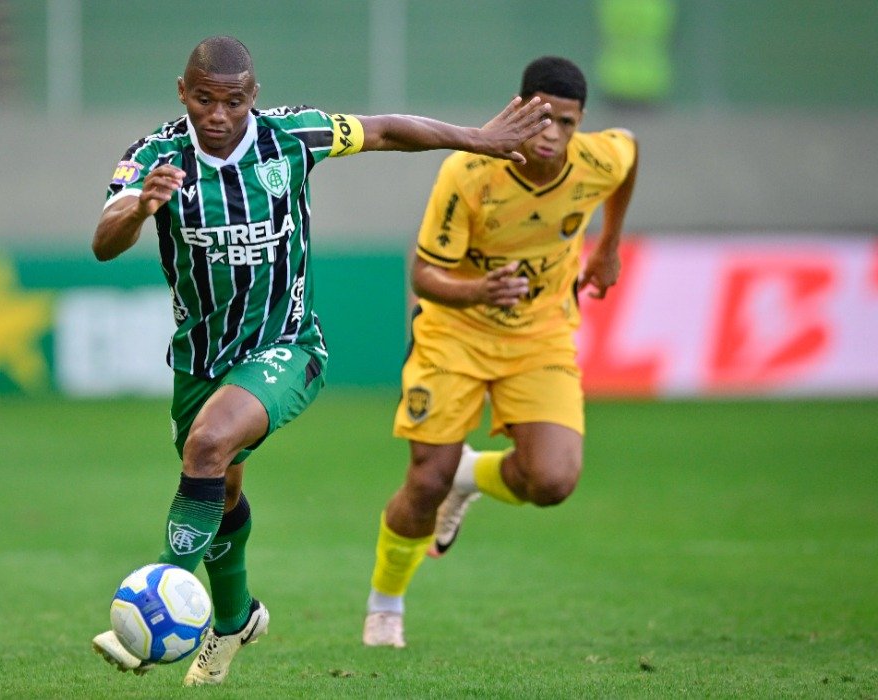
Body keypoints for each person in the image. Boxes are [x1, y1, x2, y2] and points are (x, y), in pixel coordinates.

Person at [89, 35, 551, 687]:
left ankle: (160, 595)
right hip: (200, 360)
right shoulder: (154, 156)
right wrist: (140, 205)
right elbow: (104, 240)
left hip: (287, 348)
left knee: (208, 445)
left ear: (254, 96)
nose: (217, 114)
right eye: (203, 99)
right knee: (218, 490)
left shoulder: (293, 136)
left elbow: (387, 130)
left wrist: (476, 138)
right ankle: (234, 620)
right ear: (182, 92)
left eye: (232, 100)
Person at [363, 56, 639, 648]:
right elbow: (425, 273)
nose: (552, 134)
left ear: (580, 121)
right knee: (425, 479)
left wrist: (608, 247)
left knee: (553, 480)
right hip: (452, 333)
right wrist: (479, 290)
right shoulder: (470, 172)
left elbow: (631, 153)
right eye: (542, 118)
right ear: (519, 109)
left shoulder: (596, 159)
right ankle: (386, 602)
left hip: (538, 332)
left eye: (567, 122)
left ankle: (471, 476)